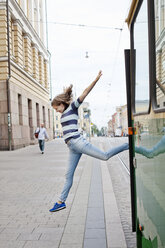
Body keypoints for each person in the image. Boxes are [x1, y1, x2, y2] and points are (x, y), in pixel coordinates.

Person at [49, 70, 129, 212]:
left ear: (61, 104)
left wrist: (96, 79)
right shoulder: (63, 114)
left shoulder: (73, 107)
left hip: (78, 142)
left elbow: (86, 91)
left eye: (57, 108)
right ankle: (61, 201)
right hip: (72, 147)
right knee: (68, 175)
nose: (57, 111)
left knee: (104, 156)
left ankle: (127, 145)